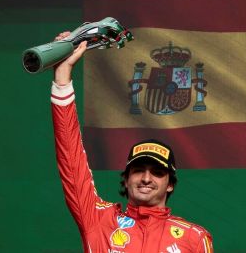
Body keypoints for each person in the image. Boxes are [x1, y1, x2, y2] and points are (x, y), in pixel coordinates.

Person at [49, 31, 213, 253]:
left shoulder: (194, 238)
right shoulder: (98, 219)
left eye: (156, 172)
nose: (146, 178)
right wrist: (62, 78)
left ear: (170, 183)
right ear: (125, 179)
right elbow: (71, 161)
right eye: (138, 170)